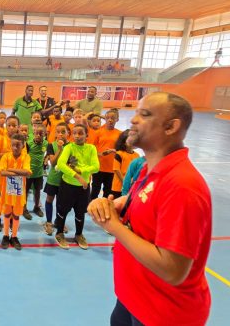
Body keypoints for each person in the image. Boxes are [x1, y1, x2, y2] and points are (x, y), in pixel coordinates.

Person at [87, 92, 212, 326]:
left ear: (171, 126)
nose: (133, 120)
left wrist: (114, 226)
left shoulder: (183, 185)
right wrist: (114, 205)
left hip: (163, 312)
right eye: (135, 112)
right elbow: (143, 211)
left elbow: (173, 270)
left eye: (144, 114)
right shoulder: (148, 170)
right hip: (133, 298)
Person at [55, 124, 99, 250]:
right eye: (74, 133)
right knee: (63, 210)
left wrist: (80, 169)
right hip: (68, 186)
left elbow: (96, 167)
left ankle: (78, 235)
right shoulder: (69, 147)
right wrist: (77, 176)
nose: (77, 136)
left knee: (80, 212)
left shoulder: (91, 148)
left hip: (83, 189)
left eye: (80, 133)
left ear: (87, 135)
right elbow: (61, 164)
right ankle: (59, 233)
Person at [0, 133, 32, 250]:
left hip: (19, 194)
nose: (15, 148)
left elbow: (27, 173)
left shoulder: (26, 157)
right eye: (13, 145)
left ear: (23, 146)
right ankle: (6, 235)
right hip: (7, 193)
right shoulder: (6, 157)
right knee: (7, 214)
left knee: (16, 215)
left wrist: (10, 169)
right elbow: (2, 172)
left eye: (18, 145)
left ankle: (14, 236)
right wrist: (20, 171)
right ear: (10, 145)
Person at [42, 122, 70, 236]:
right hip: (53, 179)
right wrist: (59, 149)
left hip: (65, 179)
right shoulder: (51, 145)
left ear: (68, 133)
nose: (60, 134)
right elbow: (53, 163)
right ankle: (48, 222)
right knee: (49, 199)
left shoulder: (71, 146)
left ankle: (59, 221)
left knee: (61, 202)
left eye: (63, 132)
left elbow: (72, 163)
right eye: (58, 132)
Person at [90, 109, 122, 200]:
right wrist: (100, 154)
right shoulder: (98, 132)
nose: (110, 120)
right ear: (105, 119)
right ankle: (91, 206)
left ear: (117, 119)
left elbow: (121, 150)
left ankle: (104, 208)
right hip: (99, 167)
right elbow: (92, 149)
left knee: (108, 191)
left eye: (113, 118)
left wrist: (113, 150)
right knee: (95, 188)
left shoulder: (120, 134)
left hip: (112, 168)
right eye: (108, 118)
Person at [24, 124, 47, 220]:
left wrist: (46, 159)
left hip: (39, 173)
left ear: (44, 135)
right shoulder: (28, 143)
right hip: (28, 172)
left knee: (37, 191)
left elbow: (48, 154)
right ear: (33, 133)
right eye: (36, 133)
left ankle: (36, 207)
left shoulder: (46, 144)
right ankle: (24, 208)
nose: (38, 135)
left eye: (40, 134)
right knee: (25, 191)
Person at [111, 130, 140, 198]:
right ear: (124, 142)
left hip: (131, 187)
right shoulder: (119, 154)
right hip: (118, 187)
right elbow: (116, 169)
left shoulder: (137, 155)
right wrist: (125, 182)